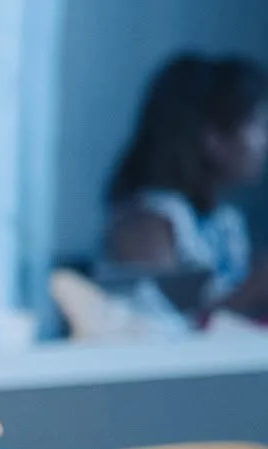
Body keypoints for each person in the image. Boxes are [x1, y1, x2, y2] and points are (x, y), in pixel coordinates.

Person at [105, 53, 268, 321]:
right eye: (256, 125)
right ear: (212, 138)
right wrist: (252, 291)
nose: (264, 142)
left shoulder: (225, 222)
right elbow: (156, 327)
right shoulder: (148, 222)